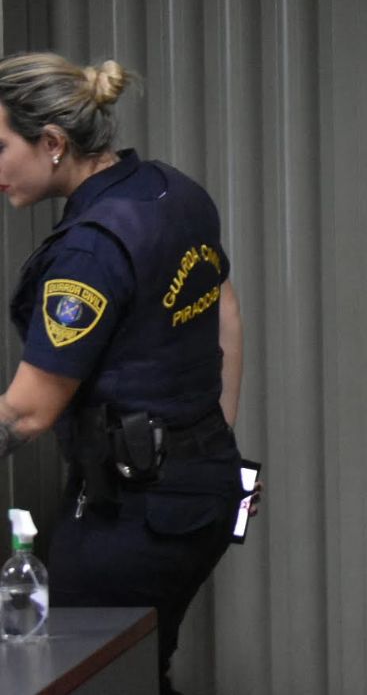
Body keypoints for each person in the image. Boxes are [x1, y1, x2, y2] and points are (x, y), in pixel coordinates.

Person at [0, 52, 246, 695]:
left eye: (1, 148)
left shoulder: (89, 250)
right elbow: (223, 304)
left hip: (141, 511)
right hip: (203, 486)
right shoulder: (173, 191)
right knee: (138, 664)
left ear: (53, 142)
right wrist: (210, 433)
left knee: (92, 672)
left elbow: (28, 411)